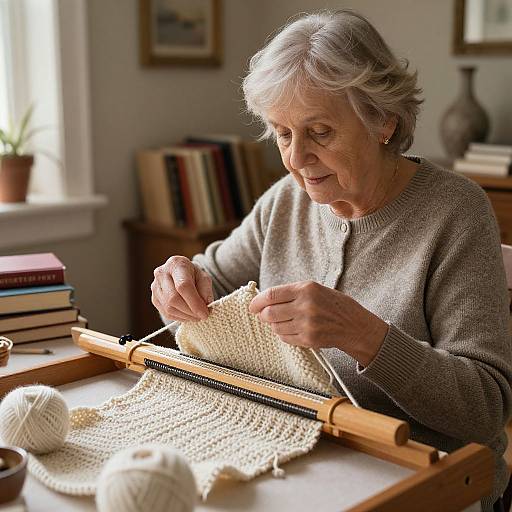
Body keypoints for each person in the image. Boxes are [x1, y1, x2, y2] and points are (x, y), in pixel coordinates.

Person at [151, 10, 512, 511]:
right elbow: (210, 276)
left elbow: (485, 408)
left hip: (431, 480)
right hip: (304, 461)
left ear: (383, 121)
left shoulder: (456, 212)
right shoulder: (286, 199)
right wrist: (177, 282)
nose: (297, 158)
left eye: (319, 132)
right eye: (282, 133)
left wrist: (365, 336)